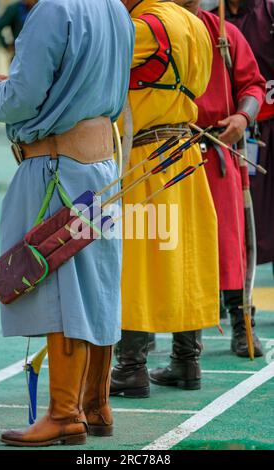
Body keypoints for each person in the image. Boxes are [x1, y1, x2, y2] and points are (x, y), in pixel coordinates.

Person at [0, 0, 134, 447]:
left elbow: (21, 97)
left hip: (57, 167)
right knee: (96, 285)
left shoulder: (54, 10)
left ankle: (65, 414)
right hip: (101, 164)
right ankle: (95, 406)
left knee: (62, 285)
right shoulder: (116, 11)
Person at [150, 0, 266, 389]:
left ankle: (239, 324)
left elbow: (251, 84)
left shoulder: (224, 36)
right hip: (163, 154)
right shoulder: (152, 27)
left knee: (227, 245)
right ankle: (141, 335)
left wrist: (242, 116)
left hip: (216, 152)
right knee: (160, 247)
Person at [111, 0, 219, 398]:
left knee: (136, 262)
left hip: (145, 156)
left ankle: (130, 367)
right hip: (185, 152)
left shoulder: (147, 25)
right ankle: (186, 360)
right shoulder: (195, 25)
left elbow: (98, 62)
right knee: (185, 257)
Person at [218, 1, 274, 269]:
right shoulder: (211, 18)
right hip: (228, 134)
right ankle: (237, 302)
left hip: (269, 127)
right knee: (232, 222)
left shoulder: (270, 12)